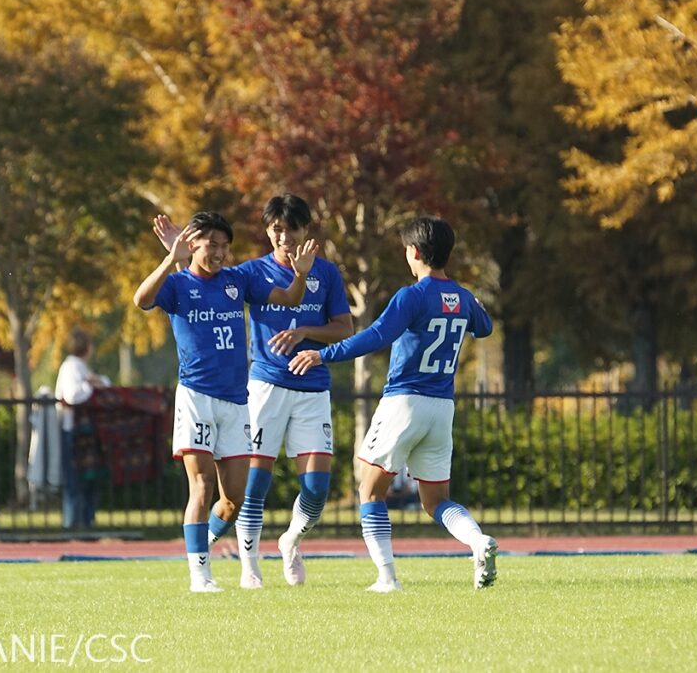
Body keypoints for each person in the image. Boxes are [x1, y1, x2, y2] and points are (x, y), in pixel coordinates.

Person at [154, 194, 353, 589]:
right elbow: (202, 284)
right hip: (263, 386)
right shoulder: (250, 271)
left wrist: (305, 331)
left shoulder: (325, 273)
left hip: (313, 387)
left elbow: (344, 328)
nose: (285, 238)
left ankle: (290, 540)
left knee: (316, 490)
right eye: (277, 230)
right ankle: (248, 568)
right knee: (250, 486)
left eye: (292, 230)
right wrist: (179, 256)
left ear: (305, 231)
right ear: (268, 231)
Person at [289, 216, 497, 592]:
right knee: (436, 501)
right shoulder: (464, 297)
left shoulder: (412, 295)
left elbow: (376, 336)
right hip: (441, 408)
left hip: (405, 403)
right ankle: (478, 540)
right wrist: (469, 303)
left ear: (414, 252)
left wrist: (324, 354)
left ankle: (387, 578)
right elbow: (484, 328)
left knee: (370, 491)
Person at [55, 328, 109, 530]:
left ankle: (86, 522)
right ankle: (73, 524)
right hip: (73, 431)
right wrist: (90, 385)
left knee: (88, 480)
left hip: (84, 433)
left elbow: (105, 383)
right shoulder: (71, 367)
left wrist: (94, 381)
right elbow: (73, 396)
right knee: (75, 480)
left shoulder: (80, 367)